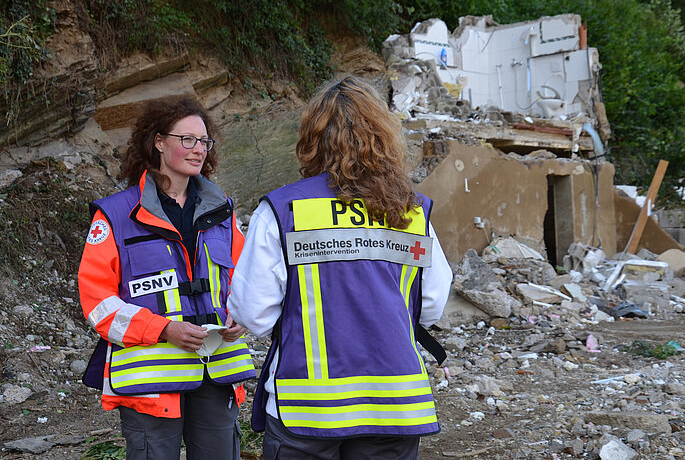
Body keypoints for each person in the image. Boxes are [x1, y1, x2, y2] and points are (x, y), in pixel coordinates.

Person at [228, 76, 452, 460]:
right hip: (396, 405)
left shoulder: (284, 210)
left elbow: (253, 310)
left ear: (311, 138)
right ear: (383, 136)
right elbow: (429, 304)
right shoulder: (411, 211)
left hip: (307, 407)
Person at [78, 96, 255, 460]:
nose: (198, 149)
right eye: (187, 139)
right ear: (159, 142)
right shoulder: (115, 215)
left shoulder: (222, 210)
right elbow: (98, 302)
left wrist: (242, 313)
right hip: (151, 382)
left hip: (217, 370)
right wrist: (162, 329)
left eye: (204, 141)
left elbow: (243, 277)